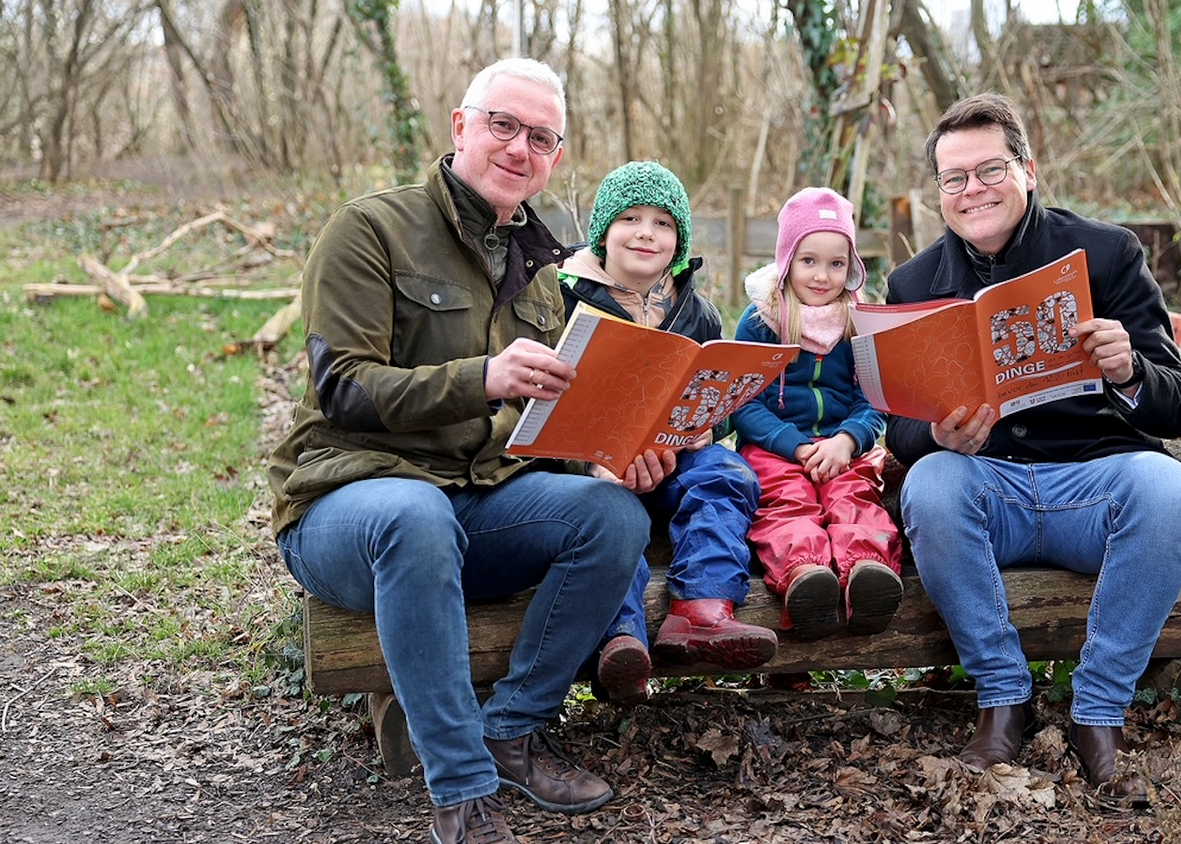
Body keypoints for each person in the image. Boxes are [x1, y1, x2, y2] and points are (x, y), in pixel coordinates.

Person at [269, 58, 661, 844]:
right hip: (350, 505)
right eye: (502, 126)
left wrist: (604, 454)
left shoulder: (542, 276)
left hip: (476, 505)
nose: (520, 149)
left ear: (556, 156)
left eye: (541, 138)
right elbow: (342, 387)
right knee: (414, 517)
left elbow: (546, 420)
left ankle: (510, 731)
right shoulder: (369, 228)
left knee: (611, 516)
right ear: (460, 126)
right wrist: (480, 378)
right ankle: (461, 789)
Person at [885, 92, 1181, 804]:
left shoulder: (1107, 252)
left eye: (989, 170)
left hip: (1092, 497)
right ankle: (1003, 697)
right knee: (931, 482)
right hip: (986, 501)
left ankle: (1098, 711)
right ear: (939, 192)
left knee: (1167, 487)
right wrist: (935, 433)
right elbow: (897, 429)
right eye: (954, 178)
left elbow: (1177, 407)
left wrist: (1128, 370)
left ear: (1029, 170)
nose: (972, 191)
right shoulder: (913, 282)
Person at [557, 160, 779, 705]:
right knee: (609, 513)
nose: (645, 233)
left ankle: (702, 610)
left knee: (728, 471)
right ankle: (622, 640)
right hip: (596, 468)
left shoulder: (695, 310)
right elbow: (541, 407)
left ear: (678, 240)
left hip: (673, 459)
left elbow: (717, 394)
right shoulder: (562, 299)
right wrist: (593, 464)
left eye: (663, 223)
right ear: (603, 231)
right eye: (629, 219)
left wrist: (707, 425)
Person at [730, 187, 903, 640]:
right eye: (809, 261)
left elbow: (873, 400)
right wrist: (797, 445)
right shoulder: (760, 321)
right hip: (777, 450)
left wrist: (846, 441)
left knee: (854, 494)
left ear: (851, 268)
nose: (822, 275)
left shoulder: (858, 321)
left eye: (836, 263)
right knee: (788, 500)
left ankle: (868, 571)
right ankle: (805, 575)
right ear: (787, 260)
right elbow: (744, 400)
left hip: (843, 449)